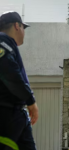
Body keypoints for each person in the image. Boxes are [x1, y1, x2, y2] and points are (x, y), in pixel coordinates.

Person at [0, 11, 38, 150]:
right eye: (23, 28)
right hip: (5, 114)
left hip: (16, 115)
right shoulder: (2, 41)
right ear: (17, 26)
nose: (24, 32)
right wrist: (30, 100)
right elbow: (9, 71)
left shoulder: (8, 44)